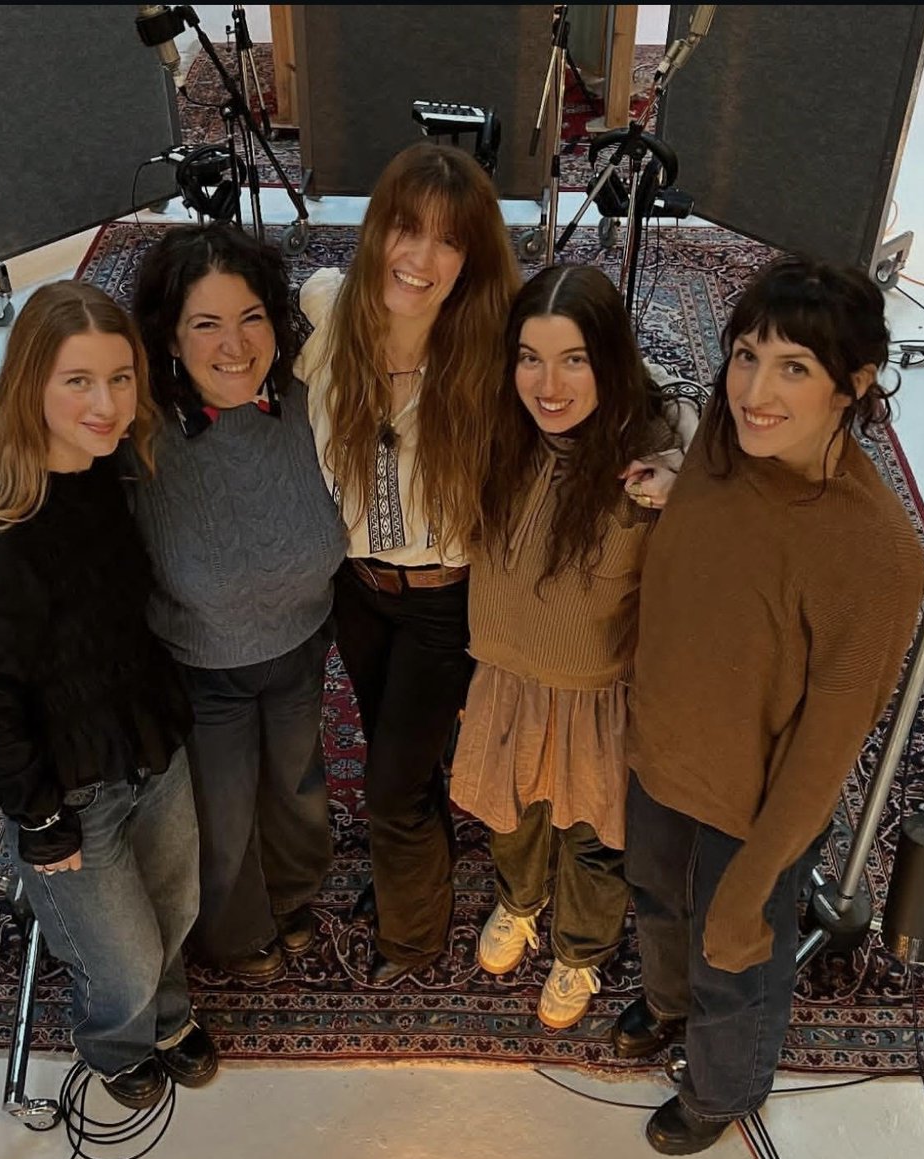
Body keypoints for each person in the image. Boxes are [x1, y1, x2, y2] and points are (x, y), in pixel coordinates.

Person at [610, 255, 924, 1153]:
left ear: (853, 386)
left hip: (755, 809)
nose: (755, 390)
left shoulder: (877, 554)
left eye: (794, 368)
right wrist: (665, 499)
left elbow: (827, 751)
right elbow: (725, 551)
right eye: (746, 355)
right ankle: (669, 1005)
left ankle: (723, 1089)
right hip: (664, 754)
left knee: (734, 950)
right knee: (659, 906)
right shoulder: (722, 435)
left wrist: (754, 885)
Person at [0, 280, 217, 1110]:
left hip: (150, 746)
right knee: (120, 958)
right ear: (31, 385)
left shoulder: (107, 472)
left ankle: (167, 1018)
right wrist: (38, 817)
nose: (109, 404)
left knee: (175, 907)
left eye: (121, 378)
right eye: (79, 382)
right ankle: (115, 1038)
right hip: (68, 792)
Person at [296, 142, 521, 984]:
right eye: (405, 228)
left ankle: (415, 936)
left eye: (448, 241)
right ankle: (414, 873)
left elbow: (629, 385)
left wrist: (671, 454)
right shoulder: (327, 310)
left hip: (445, 603)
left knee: (389, 788)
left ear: (472, 260)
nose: (420, 259)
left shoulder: (494, 348)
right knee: (407, 757)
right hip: (356, 589)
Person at [450, 264, 687, 1030]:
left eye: (574, 359)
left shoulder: (649, 456)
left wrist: (685, 482)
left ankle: (580, 951)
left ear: (612, 361)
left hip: (596, 697)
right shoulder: (497, 431)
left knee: (591, 840)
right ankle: (521, 903)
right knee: (510, 814)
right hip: (506, 675)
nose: (548, 385)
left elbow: (727, 470)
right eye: (530, 357)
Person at [129, 222, 347, 981]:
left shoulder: (303, 396)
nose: (234, 344)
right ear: (169, 337)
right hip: (202, 666)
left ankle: (292, 896)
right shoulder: (138, 433)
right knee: (221, 817)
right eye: (206, 324)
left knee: (297, 789)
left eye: (251, 317)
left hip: (300, 644)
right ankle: (234, 930)